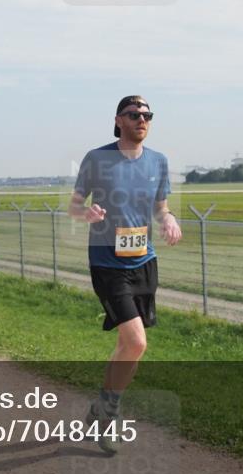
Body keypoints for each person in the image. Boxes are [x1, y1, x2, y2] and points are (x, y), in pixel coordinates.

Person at [68, 95, 182, 454]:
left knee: (125, 346)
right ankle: (112, 413)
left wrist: (169, 219)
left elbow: (160, 207)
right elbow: (74, 204)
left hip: (144, 261)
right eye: (134, 115)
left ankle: (101, 406)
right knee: (136, 342)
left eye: (147, 115)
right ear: (118, 120)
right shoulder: (97, 158)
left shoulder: (158, 161)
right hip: (106, 261)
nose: (142, 120)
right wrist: (85, 214)